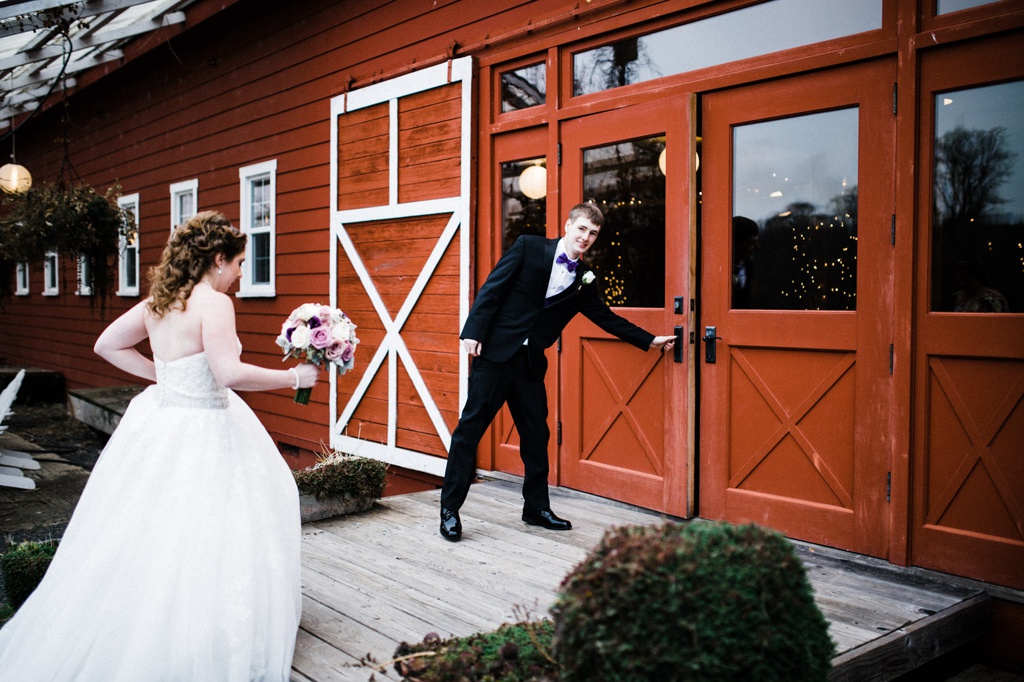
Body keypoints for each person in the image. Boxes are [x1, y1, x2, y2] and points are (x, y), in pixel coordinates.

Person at [0, 211, 318, 680]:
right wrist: (295, 376)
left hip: (160, 423)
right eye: (238, 264)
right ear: (216, 259)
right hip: (206, 429)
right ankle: (202, 634)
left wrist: (164, 375)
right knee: (214, 527)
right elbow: (229, 374)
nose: (240, 274)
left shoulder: (160, 300)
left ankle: (146, 624)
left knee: (153, 527)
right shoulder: (214, 303)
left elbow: (106, 345)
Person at [439, 202, 676, 541]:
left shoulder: (584, 279)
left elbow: (607, 318)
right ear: (568, 225)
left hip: (530, 365)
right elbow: (494, 287)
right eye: (582, 229)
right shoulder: (528, 246)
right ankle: (450, 510)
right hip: (496, 355)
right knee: (469, 431)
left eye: (593, 234)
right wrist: (473, 331)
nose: (586, 237)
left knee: (537, 436)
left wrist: (650, 340)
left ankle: (535, 508)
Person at [732, 216, 759, 309]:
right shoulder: (718, 268)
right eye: (751, 242)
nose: (756, 247)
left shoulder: (753, 268)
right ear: (735, 243)